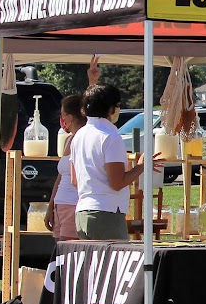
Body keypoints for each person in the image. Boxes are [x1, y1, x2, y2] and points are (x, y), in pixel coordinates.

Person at [69, 81, 161, 241]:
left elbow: (74, 180)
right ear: (110, 108)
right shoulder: (110, 137)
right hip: (106, 213)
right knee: (114, 265)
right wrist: (141, 166)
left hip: (83, 211)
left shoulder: (79, 135)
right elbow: (117, 182)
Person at [46, 93, 88, 243]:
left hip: (73, 204)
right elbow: (60, 176)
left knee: (67, 254)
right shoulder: (69, 139)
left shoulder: (84, 139)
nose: (62, 120)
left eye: (63, 115)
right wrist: (51, 206)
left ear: (70, 117)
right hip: (61, 205)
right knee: (59, 255)